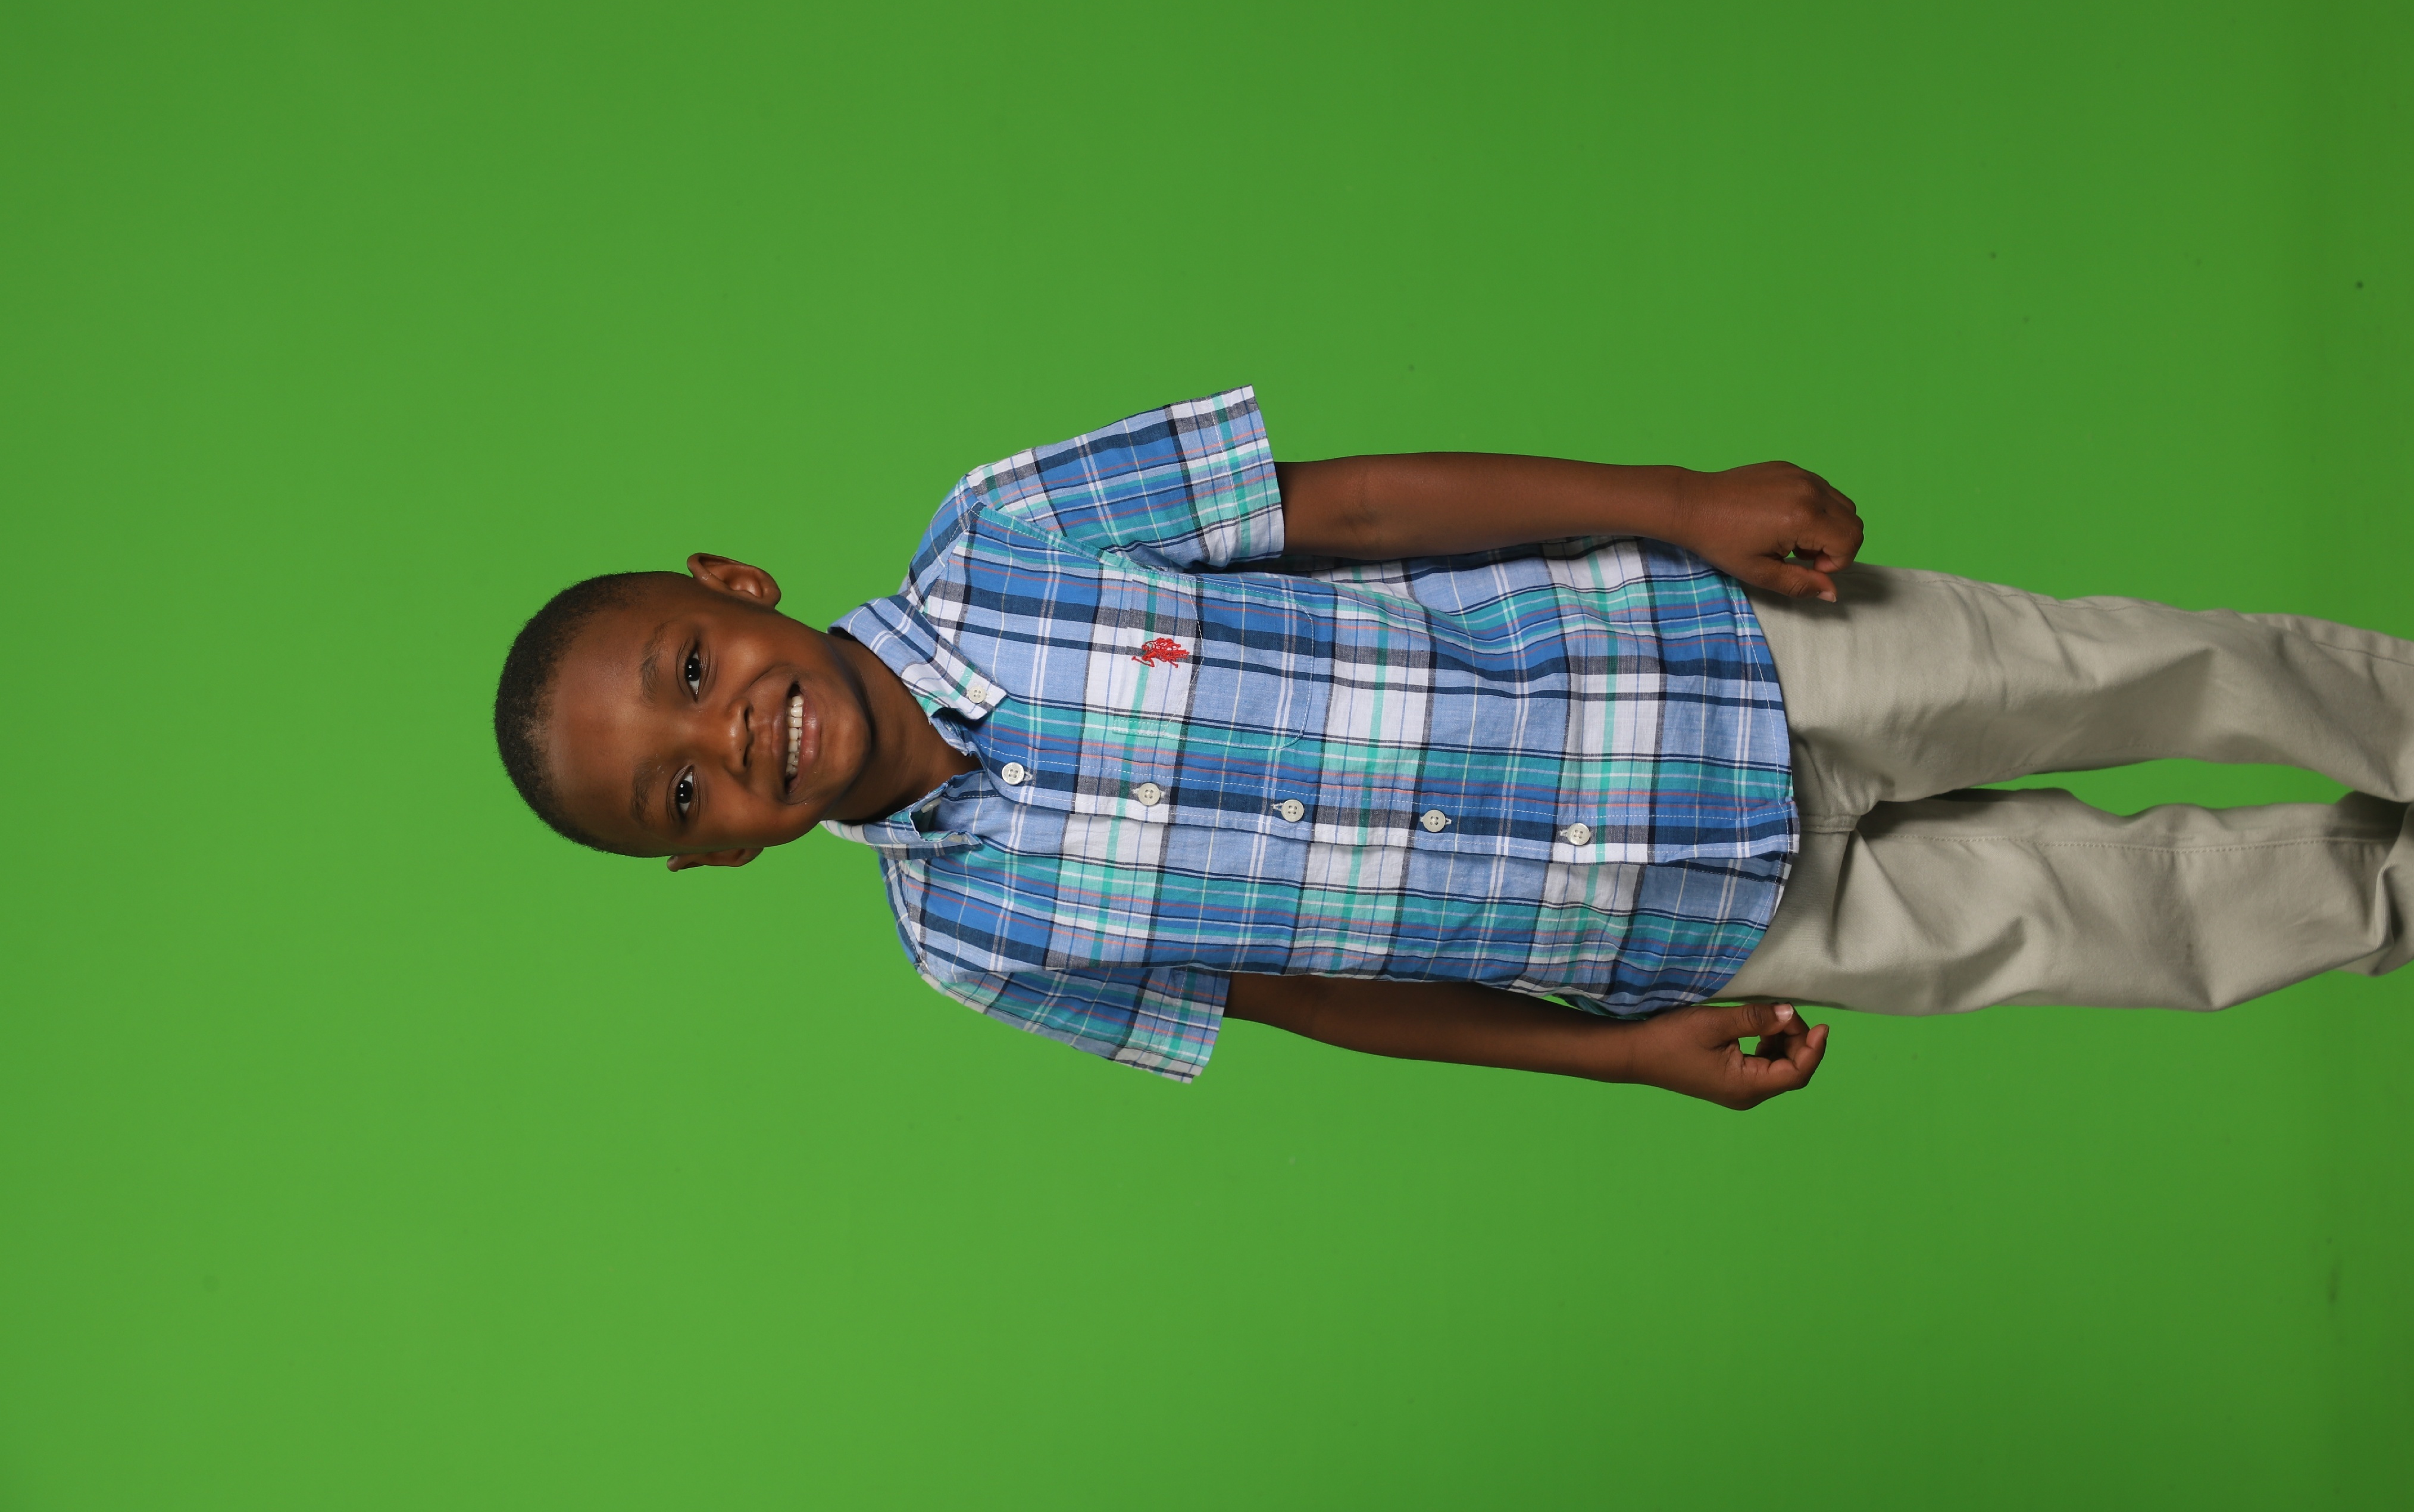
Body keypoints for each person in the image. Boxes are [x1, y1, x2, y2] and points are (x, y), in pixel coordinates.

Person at [491, 387, 2414, 1108]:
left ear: (730, 584)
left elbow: (1354, 510)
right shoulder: (974, 945)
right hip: (1684, 931)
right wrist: (1617, 1056)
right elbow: (1307, 996)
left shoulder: (1010, 532)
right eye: (682, 785)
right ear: (712, 854)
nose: (728, 731)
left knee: (2156, 673)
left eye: (690, 666)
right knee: (2127, 925)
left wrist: (1675, 501)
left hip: (1711, 659)